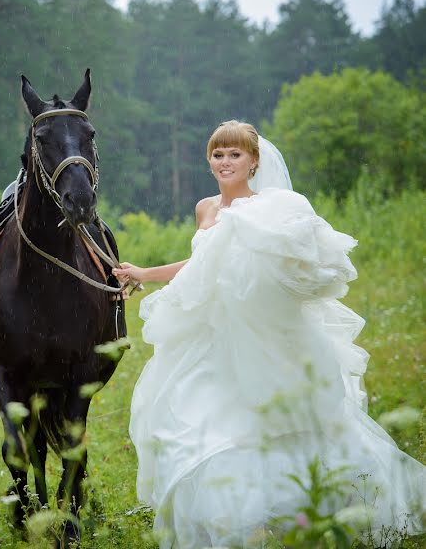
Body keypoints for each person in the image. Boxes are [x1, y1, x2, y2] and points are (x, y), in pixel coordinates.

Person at [114, 121, 426, 547]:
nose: (225, 162)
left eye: (235, 155)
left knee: (277, 420)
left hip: (257, 332)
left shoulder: (270, 212)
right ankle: (227, 518)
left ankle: (306, 507)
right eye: (218, 154)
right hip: (209, 333)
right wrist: (145, 273)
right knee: (198, 418)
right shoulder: (206, 208)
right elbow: (200, 262)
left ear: (254, 161)